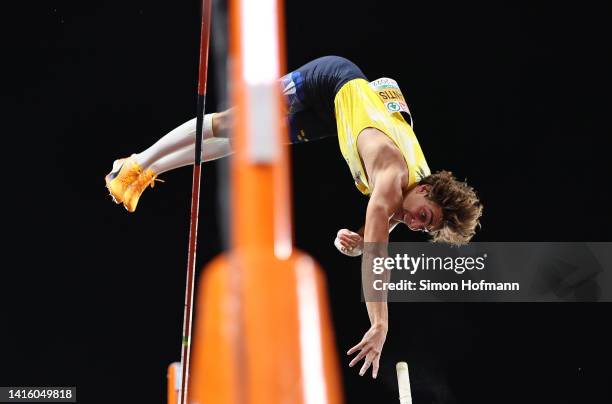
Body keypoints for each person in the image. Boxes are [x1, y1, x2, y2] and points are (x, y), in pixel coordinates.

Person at [104, 56, 483, 379]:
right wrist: (380, 323)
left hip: (335, 116)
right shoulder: (391, 174)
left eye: (423, 227)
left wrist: (353, 242)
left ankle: (147, 173)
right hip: (329, 79)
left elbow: (373, 236)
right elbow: (377, 256)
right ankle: (137, 162)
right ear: (428, 190)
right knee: (229, 123)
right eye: (423, 216)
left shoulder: (412, 194)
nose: (414, 224)